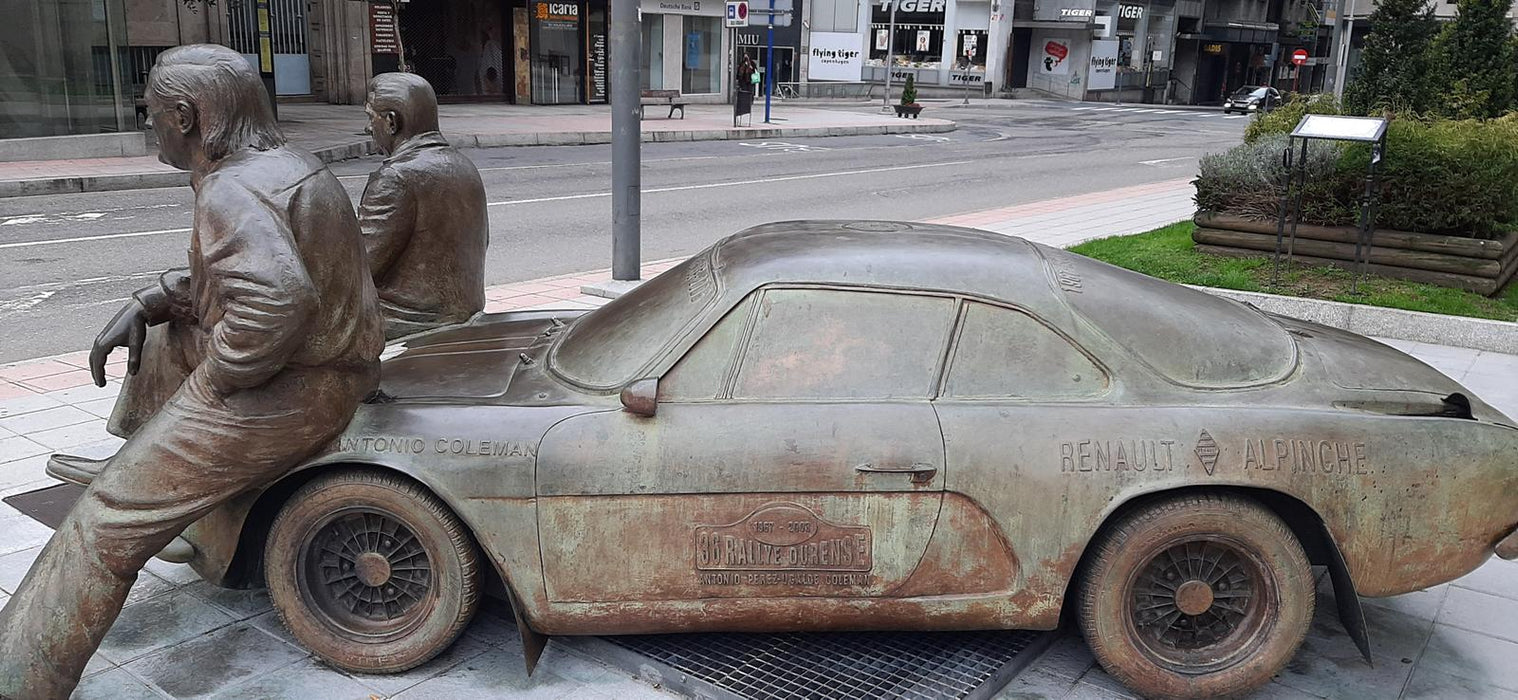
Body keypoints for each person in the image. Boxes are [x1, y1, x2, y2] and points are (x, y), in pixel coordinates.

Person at [0, 44, 383, 700]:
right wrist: (149, 301)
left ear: (186, 116)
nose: (149, 123)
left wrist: (214, 384)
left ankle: (20, 679)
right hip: (334, 365)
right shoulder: (283, 166)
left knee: (102, 523)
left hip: (298, 387)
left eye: (152, 113)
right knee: (168, 328)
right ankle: (158, 476)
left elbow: (273, 304)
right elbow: (246, 283)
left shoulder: (233, 187)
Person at [360, 72, 489, 340]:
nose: (367, 128)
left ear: (392, 122)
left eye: (370, 117)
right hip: (467, 311)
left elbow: (360, 269)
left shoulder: (395, 178)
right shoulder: (465, 166)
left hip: (409, 324)